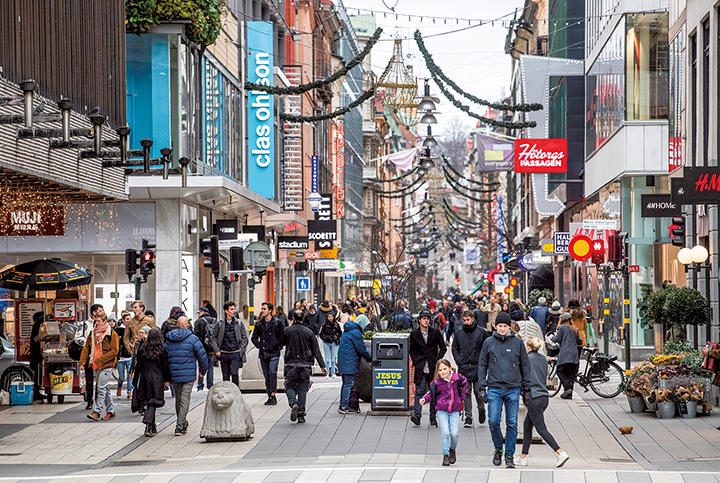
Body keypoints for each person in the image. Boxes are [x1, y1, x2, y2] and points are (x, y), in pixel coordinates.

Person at [477, 312, 531, 469]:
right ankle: (498, 448)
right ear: (495, 326)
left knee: (512, 423)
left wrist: (526, 389)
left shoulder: (517, 343)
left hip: (513, 387)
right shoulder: (488, 342)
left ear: (509, 327)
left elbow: (525, 366)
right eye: (499, 326)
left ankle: (509, 455)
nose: (502, 329)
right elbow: (482, 364)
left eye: (505, 326)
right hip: (494, 387)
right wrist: (482, 385)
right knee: (493, 420)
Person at [516, 337, 569, 467]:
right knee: (527, 427)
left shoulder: (526, 359)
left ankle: (560, 452)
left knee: (541, 429)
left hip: (533, 397)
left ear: (528, 347)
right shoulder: (543, 359)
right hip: (544, 397)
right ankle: (523, 457)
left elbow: (523, 377)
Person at [419, 359, 468, 466]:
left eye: (445, 369)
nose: (443, 372)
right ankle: (445, 455)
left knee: (454, 434)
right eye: (440, 370)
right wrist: (424, 399)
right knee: (445, 432)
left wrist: (462, 398)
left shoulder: (457, 378)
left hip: (455, 410)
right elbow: (431, 393)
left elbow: (465, 383)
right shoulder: (437, 383)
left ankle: (452, 449)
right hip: (442, 410)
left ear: (450, 368)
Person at [164, 317, 208, 435]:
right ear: (187, 325)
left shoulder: (169, 338)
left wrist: (165, 375)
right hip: (188, 375)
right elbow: (202, 356)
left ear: (177, 325)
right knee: (184, 400)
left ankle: (182, 422)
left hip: (174, 374)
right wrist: (203, 371)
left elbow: (164, 357)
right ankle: (180, 426)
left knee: (178, 400)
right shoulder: (193, 339)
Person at [283, 309, 327, 423]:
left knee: (289, 386)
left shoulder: (287, 331)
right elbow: (315, 350)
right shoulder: (309, 332)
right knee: (303, 389)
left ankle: (293, 403)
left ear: (293, 318)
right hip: (305, 364)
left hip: (290, 363)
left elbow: (281, 343)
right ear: (303, 318)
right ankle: (301, 415)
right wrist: (322, 366)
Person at [409, 309, 446, 427]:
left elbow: (443, 347)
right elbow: (412, 350)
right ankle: (417, 415)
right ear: (419, 320)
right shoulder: (414, 334)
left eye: (428, 319)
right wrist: (416, 360)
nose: (426, 321)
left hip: (432, 366)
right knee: (419, 391)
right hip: (421, 367)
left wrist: (438, 360)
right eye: (424, 318)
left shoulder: (435, 332)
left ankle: (432, 417)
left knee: (434, 392)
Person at [451, 310, 489, 427]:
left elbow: (486, 348)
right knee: (466, 393)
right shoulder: (459, 333)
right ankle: (468, 417)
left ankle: (481, 409)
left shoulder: (481, 332)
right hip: (464, 366)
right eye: (464, 320)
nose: (466, 322)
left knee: (478, 392)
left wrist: (483, 363)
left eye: (468, 320)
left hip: (477, 366)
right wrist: (459, 361)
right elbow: (454, 348)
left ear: (473, 319)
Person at [80, 313, 119, 421]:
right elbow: (86, 348)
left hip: (107, 364)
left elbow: (114, 351)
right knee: (105, 388)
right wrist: (82, 362)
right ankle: (110, 411)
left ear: (104, 321)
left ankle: (97, 411)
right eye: (95, 321)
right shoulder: (92, 333)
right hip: (95, 364)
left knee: (100, 388)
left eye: (99, 321)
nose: (96, 323)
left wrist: (101, 359)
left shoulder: (111, 333)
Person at [132, 328, 170, 437]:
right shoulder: (161, 350)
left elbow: (138, 365)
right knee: (153, 402)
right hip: (157, 379)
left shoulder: (143, 348)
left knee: (149, 400)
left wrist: (135, 380)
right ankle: (148, 424)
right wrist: (167, 380)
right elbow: (165, 366)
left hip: (145, 378)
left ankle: (152, 426)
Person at [337, 313, 372, 414]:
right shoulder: (356, 333)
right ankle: (344, 406)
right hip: (349, 362)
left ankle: (342, 405)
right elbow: (361, 349)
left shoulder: (348, 331)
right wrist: (369, 358)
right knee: (348, 384)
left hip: (344, 361)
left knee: (345, 384)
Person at [252, 302, 285, 405]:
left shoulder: (277, 323)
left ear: (270, 310)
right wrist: (259, 345)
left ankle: (273, 395)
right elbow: (254, 337)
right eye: (262, 308)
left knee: (272, 372)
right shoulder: (259, 324)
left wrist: (278, 345)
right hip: (263, 352)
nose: (262, 310)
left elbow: (282, 336)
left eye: (265, 309)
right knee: (266, 375)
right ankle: (269, 395)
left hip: (274, 352)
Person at [214, 301, 249, 387]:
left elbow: (245, 338)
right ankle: (227, 393)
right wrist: (217, 350)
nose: (234, 311)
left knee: (234, 374)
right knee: (225, 377)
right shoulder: (220, 323)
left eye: (234, 309)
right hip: (224, 353)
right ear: (226, 311)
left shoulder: (239, 323)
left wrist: (240, 351)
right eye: (231, 309)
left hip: (235, 353)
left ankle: (235, 393)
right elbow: (213, 337)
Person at [552, 312, 582, 399]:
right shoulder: (575, 329)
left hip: (565, 354)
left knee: (560, 370)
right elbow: (579, 342)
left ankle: (566, 386)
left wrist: (552, 338)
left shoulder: (561, 328)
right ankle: (568, 393)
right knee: (571, 374)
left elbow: (557, 339)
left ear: (563, 319)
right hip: (574, 355)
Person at [194, 306, 217, 391]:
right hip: (212, 348)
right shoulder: (215, 320)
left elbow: (195, 335)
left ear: (202, 312)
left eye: (199, 312)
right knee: (210, 366)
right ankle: (210, 385)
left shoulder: (198, 321)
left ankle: (200, 385)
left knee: (201, 365)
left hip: (202, 348)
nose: (198, 314)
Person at [115, 310, 134, 398]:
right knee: (121, 377)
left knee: (130, 375)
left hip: (130, 356)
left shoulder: (132, 329)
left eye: (130, 319)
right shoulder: (118, 330)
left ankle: (129, 391)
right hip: (120, 357)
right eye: (127, 319)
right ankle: (119, 388)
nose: (129, 321)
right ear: (123, 320)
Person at [319, 311, 342, 377]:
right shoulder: (324, 325)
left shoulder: (336, 325)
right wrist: (325, 338)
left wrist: (337, 339)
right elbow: (321, 334)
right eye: (329, 316)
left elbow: (340, 333)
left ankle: (333, 373)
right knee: (326, 359)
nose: (330, 318)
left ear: (333, 317)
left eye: (331, 316)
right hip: (326, 342)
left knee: (333, 359)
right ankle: (327, 373)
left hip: (334, 342)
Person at [30, 312, 46, 403]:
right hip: (36, 353)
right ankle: (36, 392)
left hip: (36, 353)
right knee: (37, 373)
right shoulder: (38, 326)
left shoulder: (36, 325)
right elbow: (38, 338)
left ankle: (37, 391)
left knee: (37, 373)